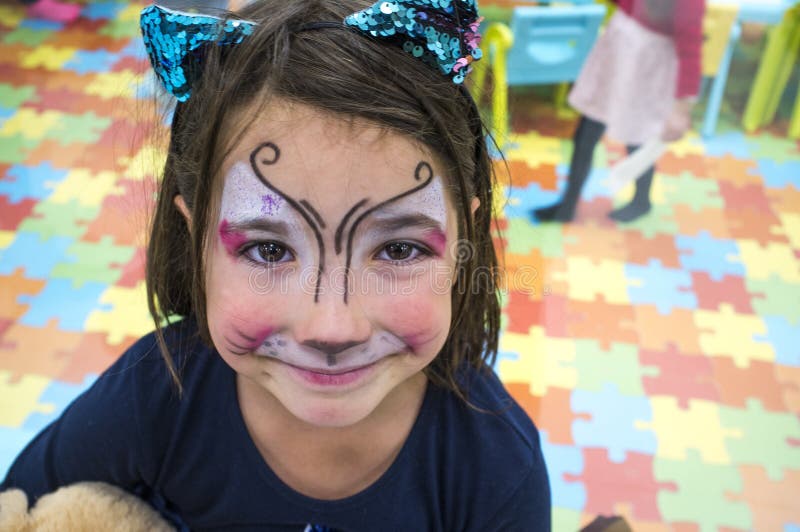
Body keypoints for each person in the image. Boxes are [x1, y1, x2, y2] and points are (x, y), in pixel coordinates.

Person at [1, 1, 551, 530]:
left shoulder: (498, 471)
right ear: (196, 242)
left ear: (462, 245)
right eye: (269, 250)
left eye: (398, 250)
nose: (332, 328)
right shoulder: (150, 399)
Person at [532, 0, 705, 223]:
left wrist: (681, 109)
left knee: (637, 137)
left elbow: (690, 52)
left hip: (647, 64)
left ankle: (641, 200)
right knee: (585, 133)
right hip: (617, 54)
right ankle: (568, 203)